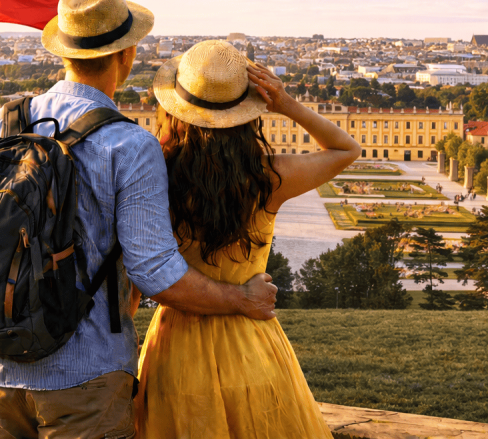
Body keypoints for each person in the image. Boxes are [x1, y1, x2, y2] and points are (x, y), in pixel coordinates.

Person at [0, 0, 277, 439]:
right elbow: (156, 271)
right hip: (85, 375)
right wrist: (242, 299)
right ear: (127, 55)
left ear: (63, 51)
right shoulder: (129, 144)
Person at [135, 40, 361, 438]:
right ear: (249, 112)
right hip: (251, 337)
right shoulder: (269, 178)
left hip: (177, 344)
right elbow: (345, 149)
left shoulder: (158, 175)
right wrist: (286, 104)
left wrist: (166, 133)